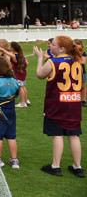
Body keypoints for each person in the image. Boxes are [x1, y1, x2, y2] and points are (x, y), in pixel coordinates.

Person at [34, 36, 84, 177]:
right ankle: (77, 166)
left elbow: (39, 74)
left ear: (61, 49)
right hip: (73, 103)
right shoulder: (77, 61)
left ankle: (55, 166)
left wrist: (39, 58)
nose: (50, 46)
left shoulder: (53, 62)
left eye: (53, 44)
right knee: (74, 134)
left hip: (57, 104)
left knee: (57, 134)